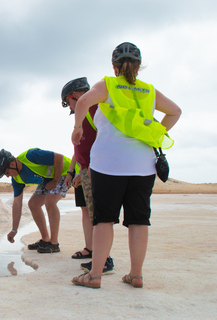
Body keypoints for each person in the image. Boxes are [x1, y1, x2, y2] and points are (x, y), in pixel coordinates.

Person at [70, 42, 181, 289]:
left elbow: (82, 103)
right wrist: (155, 132)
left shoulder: (108, 85)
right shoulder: (149, 91)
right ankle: (136, 275)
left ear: (114, 66)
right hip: (143, 165)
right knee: (139, 220)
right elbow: (175, 111)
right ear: (139, 67)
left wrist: (77, 129)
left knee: (104, 220)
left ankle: (95, 275)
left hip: (108, 164)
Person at [62, 77, 114, 274]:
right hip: (84, 170)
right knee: (86, 210)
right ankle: (91, 249)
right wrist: (72, 170)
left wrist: (90, 169)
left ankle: (105, 259)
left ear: (73, 95)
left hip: (96, 169)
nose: (71, 107)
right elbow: (77, 147)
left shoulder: (94, 109)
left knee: (98, 215)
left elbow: (104, 139)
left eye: (69, 103)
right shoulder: (81, 116)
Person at [0, 148, 72, 253]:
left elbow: (59, 158)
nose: (8, 176)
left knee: (50, 201)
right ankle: (45, 239)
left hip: (64, 172)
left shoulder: (30, 156)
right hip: (48, 179)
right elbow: (17, 204)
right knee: (33, 204)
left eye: (7, 173)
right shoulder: (16, 179)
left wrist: (55, 180)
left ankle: (54, 244)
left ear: (12, 164)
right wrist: (14, 230)